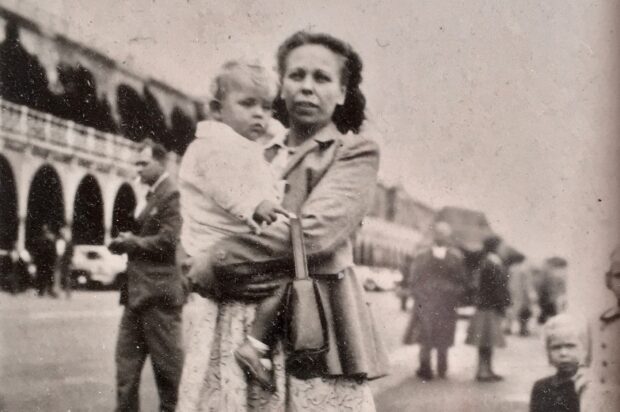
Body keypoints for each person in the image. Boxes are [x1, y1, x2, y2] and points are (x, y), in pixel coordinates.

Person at [178, 31, 389, 411]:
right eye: (296, 76)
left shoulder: (353, 151)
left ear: (342, 92)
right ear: (281, 85)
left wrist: (216, 259)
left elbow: (313, 236)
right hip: (233, 320)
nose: (307, 87)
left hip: (312, 325)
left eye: (322, 78)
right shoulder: (251, 147)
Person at [178, 60, 290, 391]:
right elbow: (225, 185)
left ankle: (254, 345)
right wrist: (255, 205)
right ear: (216, 110)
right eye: (247, 104)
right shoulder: (211, 146)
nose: (260, 115)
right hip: (214, 245)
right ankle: (254, 346)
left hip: (230, 245)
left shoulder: (242, 146)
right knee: (284, 281)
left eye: (267, 107)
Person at [108, 139, 186, 412]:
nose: (137, 169)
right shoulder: (155, 194)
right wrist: (127, 242)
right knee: (125, 373)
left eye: (143, 163)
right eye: (136, 163)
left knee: (169, 376)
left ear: (160, 162)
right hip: (137, 295)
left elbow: (168, 240)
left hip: (159, 299)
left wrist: (132, 242)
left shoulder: (171, 194)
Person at [402, 221, 467, 380]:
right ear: (433, 235)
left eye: (444, 233)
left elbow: (462, 281)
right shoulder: (422, 256)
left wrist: (454, 293)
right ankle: (425, 368)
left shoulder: (456, 257)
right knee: (425, 336)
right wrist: (419, 296)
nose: (441, 236)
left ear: (449, 236)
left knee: (443, 336)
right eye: (438, 233)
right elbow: (414, 279)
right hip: (427, 303)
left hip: (446, 304)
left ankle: (442, 367)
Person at [578, 246, 620, 411]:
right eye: (619, 276)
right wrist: (585, 387)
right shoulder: (597, 321)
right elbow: (583, 362)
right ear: (607, 280)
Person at [466, 235, 511, 382]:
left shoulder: (490, 262)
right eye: (502, 246)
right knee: (486, 342)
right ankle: (483, 371)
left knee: (488, 342)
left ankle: (487, 369)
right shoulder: (491, 263)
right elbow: (497, 289)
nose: (504, 249)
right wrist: (503, 305)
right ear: (496, 247)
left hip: (487, 307)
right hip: (488, 308)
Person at [530, 314, 585, 412]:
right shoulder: (541, 387)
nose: (563, 353)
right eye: (556, 347)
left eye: (570, 346)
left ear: (584, 348)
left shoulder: (587, 386)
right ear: (548, 352)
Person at [505, 255, 534, 336]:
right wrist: (530, 294)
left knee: (511, 310)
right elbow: (527, 284)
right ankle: (523, 329)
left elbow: (508, 281)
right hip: (522, 294)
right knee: (524, 312)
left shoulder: (512, 268)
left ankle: (508, 327)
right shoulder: (524, 269)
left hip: (512, 293)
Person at [31, 224, 58, 298]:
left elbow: (54, 251)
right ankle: (41, 291)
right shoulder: (40, 239)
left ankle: (49, 291)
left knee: (49, 277)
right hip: (42, 262)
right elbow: (36, 251)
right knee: (41, 277)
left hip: (48, 262)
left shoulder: (51, 240)